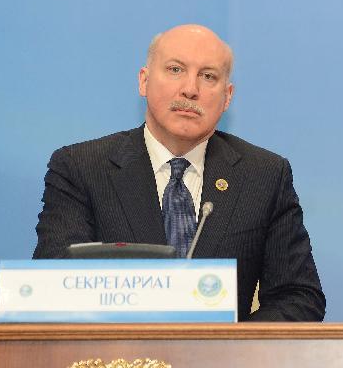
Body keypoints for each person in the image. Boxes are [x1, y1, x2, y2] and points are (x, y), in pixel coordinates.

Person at [33, 24, 326, 321]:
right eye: (175, 70)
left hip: (222, 364)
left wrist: (225, 347)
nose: (190, 89)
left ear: (227, 97)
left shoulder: (263, 175)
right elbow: (55, 287)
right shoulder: (81, 167)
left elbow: (299, 298)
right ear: (144, 81)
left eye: (208, 76)